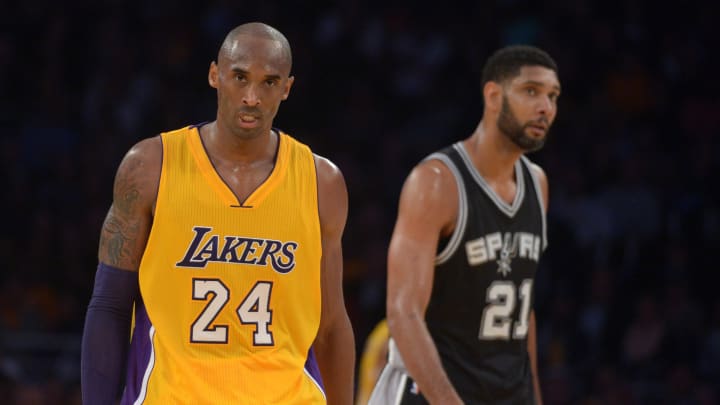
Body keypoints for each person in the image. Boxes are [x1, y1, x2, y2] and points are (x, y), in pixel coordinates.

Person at [81, 22, 355, 405]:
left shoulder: (321, 182)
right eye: (240, 77)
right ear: (215, 75)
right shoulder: (149, 167)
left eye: (269, 82)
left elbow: (331, 327)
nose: (252, 97)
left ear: (287, 88)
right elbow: (110, 304)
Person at [369, 45, 560, 404]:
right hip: (433, 392)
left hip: (508, 391)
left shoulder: (538, 184)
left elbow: (523, 306)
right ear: (493, 95)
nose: (545, 107)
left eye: (552, 96)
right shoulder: (437, 182)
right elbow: (403, 312)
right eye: (531, 91)